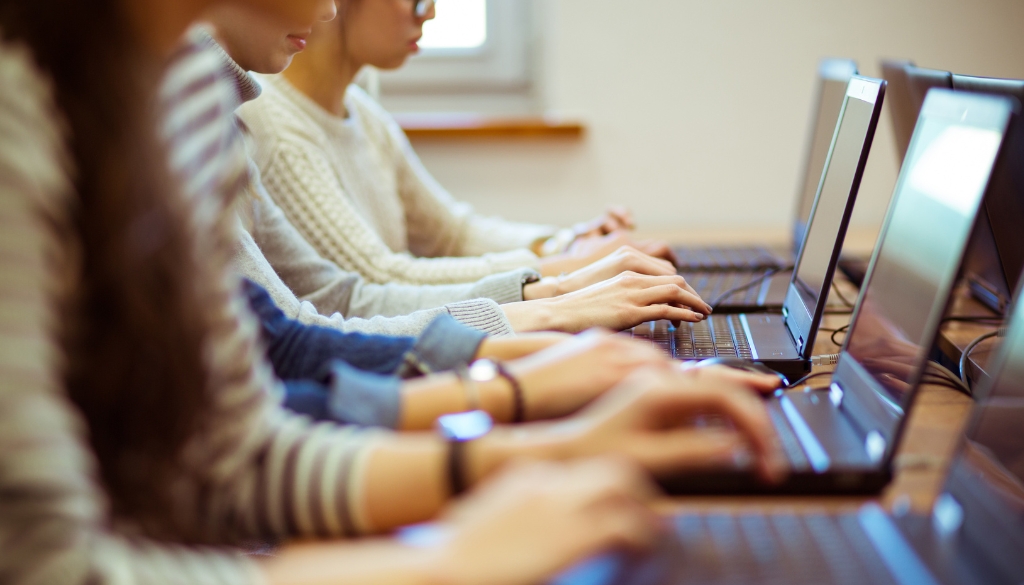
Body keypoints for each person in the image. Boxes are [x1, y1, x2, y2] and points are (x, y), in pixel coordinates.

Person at [0, 2, 786, 585]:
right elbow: (46, 563)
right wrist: (454, 551)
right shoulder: (21, 114)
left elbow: (236, 454)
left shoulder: (189, 97)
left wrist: (535, 447)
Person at [201, 5, 712, 339]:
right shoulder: (265, 126)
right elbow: (368, 288)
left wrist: (563, 248)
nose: (431, 13)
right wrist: (559, 282)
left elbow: (450, 232)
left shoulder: (356, 113)